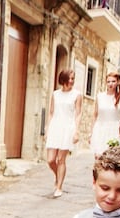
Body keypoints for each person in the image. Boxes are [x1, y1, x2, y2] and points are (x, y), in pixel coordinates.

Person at [45, 69, 82, 198]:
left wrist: (76, 131)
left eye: (73, 78)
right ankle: (57, 176)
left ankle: (59, 186)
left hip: (68, 127)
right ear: (63, 79)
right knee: (50, 160)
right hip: (55, 126)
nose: (71, 81)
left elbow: (78, 114)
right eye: (69, 78)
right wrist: (47, 128)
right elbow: (51, 112)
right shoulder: (55, 94)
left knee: (61, 159)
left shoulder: (77, 95)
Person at [89, 72, 120, 156]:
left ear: (118, 82)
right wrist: (91, 133)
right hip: (100, 129)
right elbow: (95, 115)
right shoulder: (100, 96)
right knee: (99, 157)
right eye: (108, 81)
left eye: (113, 81)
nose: (111, 84)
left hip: (116, 130)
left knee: (112, 157)